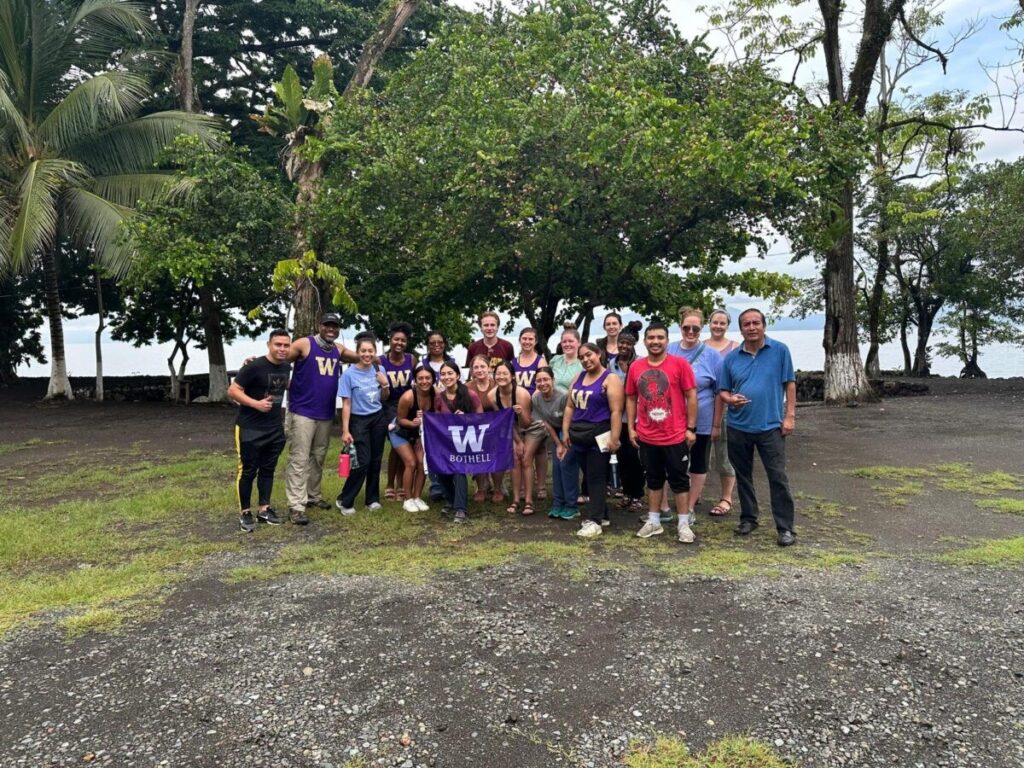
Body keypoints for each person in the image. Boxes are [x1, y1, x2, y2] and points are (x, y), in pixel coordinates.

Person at [719, 308, 798, 546]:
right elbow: (723, 389)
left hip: (770, 426)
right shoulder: (731, 358)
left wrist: (790, 416)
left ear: (764, 325)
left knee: (777, 476)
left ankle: (785, 528)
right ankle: (749, 518)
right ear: (741, 329)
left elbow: (790, 384)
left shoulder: (780, 350)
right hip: (738, 426)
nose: (751, 327)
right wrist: (729, 399)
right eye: (746, 324)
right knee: (743, 476)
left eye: (756, 323)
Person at [626, 321, 698, 544]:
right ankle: (654, 520)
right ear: (645, 341)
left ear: (667, 340)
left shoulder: (680, 364)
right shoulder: (636, 367)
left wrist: (691, 428)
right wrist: (631, 427)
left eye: (660, 337)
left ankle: (683, 523)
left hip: (675, 434)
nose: (655, 341)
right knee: (653, 479)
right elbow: (631, 397)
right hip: (647, 435)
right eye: (651, 338)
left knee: (679, 480)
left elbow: (691, 396)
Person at [284, 313, 358, 525]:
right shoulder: (304, 344)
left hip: (325, 413)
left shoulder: (338, 349)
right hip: (302, 412)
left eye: (335, 327)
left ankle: (313, 496)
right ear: (319, 326)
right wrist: (256, 361)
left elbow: (361, 357)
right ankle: (296, 506)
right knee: (299, 458)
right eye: (327, 325)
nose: (331, 330)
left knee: (318, 457)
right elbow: (280, 357)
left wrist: (382, 360)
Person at [228, 329, 292, 532]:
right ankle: (245, 513)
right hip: (249, 427)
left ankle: (264, 509)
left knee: (268, 469)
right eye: (278, 344)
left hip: (273, 427)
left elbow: (284, 386)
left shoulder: (286, 367)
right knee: (247, 471)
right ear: (269, 345)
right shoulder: (254, 366)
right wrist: (256, 404)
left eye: (286, 345)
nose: (282, 348)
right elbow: (232, 390)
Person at [667, 308, 724, 524]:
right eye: (686, 327)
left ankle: (689, 506)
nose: (690, 332)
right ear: (680, 327)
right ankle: (671, 503)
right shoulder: (670, 350)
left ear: (702, 329)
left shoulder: (712, 356)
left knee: (698, 461)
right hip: (672, 418)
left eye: (695, 328)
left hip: (702, 416)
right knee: (671, 462)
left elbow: (720, 391)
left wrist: (716, 424)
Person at [562, 343, 623, 538]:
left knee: (597, 477)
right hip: (579, 434)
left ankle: (595, 520)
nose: (586, 360)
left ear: (599, 354)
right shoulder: (579, 377)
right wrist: (565, 431)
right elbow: (570, 406)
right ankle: (602, 514)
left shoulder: (610, 378)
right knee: (588, 475)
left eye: (589, 355)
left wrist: (615, 437)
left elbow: (616, 411)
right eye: (581, 357)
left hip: (600, 433)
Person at [335, 336, 391, 515]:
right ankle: (345, 500)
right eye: (363, 351)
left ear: (375, 352)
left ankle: (372, 499)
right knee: (362, 461)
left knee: (376, 460)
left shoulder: (379, 368)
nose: (367, 354)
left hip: (378, 418)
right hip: (358, 421)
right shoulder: (348, 374)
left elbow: (385, 397)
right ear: (357, 352)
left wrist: (385, 384)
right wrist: (345, 430)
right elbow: (346, 404)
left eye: (370, 351)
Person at [433, 360, 484, 523]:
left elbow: (481, 418)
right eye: (443, 374)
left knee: (458, 469)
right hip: (447, 442)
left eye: (450, 373)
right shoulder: (439, 398)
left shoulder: (470, 394)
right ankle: (451, 499)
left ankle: (461, 508)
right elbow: (436, 420)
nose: (446, 377)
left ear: (457, 375)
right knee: (440, 470)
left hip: (467, 441)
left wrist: (467, 419)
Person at [703, 308, 739, 516]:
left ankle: (726, 497)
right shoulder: (700, 347)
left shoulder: (735, 348)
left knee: (724, 455)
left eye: (722, 323)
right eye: (715, 322)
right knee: (698, 454)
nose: (718, 326)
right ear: (709, 323)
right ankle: (695, 492)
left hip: (727, 408)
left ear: (727, 325)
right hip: (703, 407)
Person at [532, 367, 577, 519]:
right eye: (538, 380)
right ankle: (558, 503)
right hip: (555, 431)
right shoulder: (536, 398)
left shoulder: (563, 396)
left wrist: (564, 442)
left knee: (566, 466)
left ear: (553, 380)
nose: (542, 383)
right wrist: (558, 444)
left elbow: (569, 419)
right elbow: (546, 422)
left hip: (570, 430)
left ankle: (572, 506)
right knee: (556, 468)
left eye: (546, 379)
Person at [610, 329, 645, 513]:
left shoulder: (640, 363)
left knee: (635, 458)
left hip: (636, 417)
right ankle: (626, 492)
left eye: (628, 343)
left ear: (634, 345)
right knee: (621, 455)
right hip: (617, 417)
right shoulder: (611, 363)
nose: (623, 346)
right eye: (621, 342)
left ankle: (637, 494)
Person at [392, 365, 436, 512]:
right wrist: (413, 423)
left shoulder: (436, 394)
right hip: (400, 433)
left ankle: (417, 497)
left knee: (421, 462)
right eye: (421, 378)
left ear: (433, 379)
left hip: (418, 435)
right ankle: (408, 499)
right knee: (410, 463)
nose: (424, 381)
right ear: (415, 380)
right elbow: (400, 420)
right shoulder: (408, 397)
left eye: (428, 378)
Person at [493, 360, 535, 515]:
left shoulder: (521, 393)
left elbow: (527, 423)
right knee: (514, 457)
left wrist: (520, 413)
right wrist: (517, 441)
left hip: (532, 427)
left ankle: (529, 500)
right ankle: (516, 499)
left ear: (512, 376)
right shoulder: (493, 395)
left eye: (505, 373)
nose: (501, 376)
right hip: (513, 429)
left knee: (526, 458)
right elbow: (505, 423)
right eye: (498, 373)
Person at [380, 322, 416, 502]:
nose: (399, 343)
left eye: (403, 340)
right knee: (396, 446)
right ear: (390, 340)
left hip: (407, 406)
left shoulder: (411, 359)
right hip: (388, 406)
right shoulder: (381, 360)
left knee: (405, 445)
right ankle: (389, 484)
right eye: (396, 339)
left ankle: (401, 483)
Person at [512, 327, 548, 501]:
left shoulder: (540, 361)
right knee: (520, 449)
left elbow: (544, 383)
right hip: (518, 411)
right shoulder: (513, 362)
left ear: (535, 342)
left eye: (530, 339)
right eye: (524, 338)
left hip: (535, 407)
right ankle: (521, 487)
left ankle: (541, 485)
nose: (527, 342)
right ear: (519, 340)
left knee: (540, 449)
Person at [466, 354, 503, 503]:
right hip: (475, 428)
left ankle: (498, 488)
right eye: (476, 367)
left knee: (496, 457)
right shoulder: (467, 387)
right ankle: (481, 488)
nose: (480, 370)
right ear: (472, 370)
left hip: (496, 428)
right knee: (478, 458)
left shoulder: (497, 384)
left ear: (489, 368)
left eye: (482, 366)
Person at [549, 323, 583, 392]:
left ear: (579, 343)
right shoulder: (555, 360)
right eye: (564, 342)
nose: (567, 344)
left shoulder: (583, 364)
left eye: (571, 341)